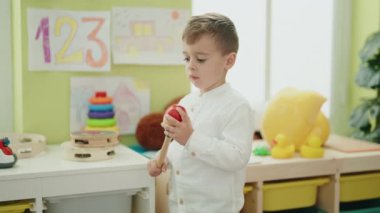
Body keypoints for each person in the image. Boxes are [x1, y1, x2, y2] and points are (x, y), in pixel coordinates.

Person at [147, 12, 254, 213]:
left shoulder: (237, 106)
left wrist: (190, 138)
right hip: (181, 207)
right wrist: (161, 161)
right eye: (186, 58)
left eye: (201, 59)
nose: (191, 65)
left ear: (228, 61)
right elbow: (180, 149)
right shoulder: (187, 102)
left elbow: (236, 157)